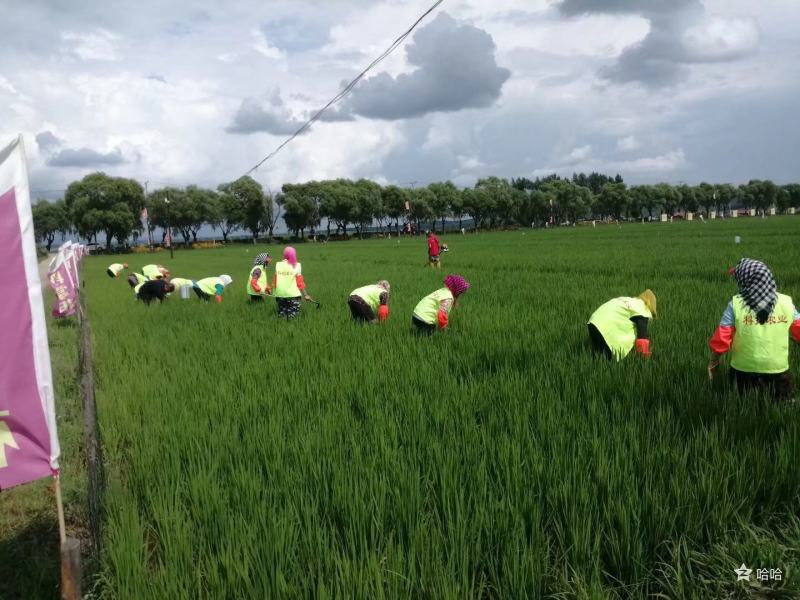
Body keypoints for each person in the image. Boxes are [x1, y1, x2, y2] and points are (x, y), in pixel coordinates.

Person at [708, 258, 800, 399]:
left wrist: (714, 360)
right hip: (778, 368)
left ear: (746, 280)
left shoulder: (736, 304)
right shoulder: (786, 303)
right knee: (782, 407)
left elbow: (722, 338)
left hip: (743, 370)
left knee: (743, 407)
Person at [587, 290, 657, 360]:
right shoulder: (643, 310)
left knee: (596, 356)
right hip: (606, 327)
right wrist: (643, 358)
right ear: (650, 309)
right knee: (608, 360)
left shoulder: (630, 301)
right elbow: (642, 337)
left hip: (593, 321)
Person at [272, 247, 310, 318]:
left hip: (280, 295)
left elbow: (275, 281)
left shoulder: (278, 265)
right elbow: (300, 283)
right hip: (293, 295)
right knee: (293, 316)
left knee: (282, 316)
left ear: (285, 254)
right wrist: (306, 295)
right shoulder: (297, 265)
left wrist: (275, 294)